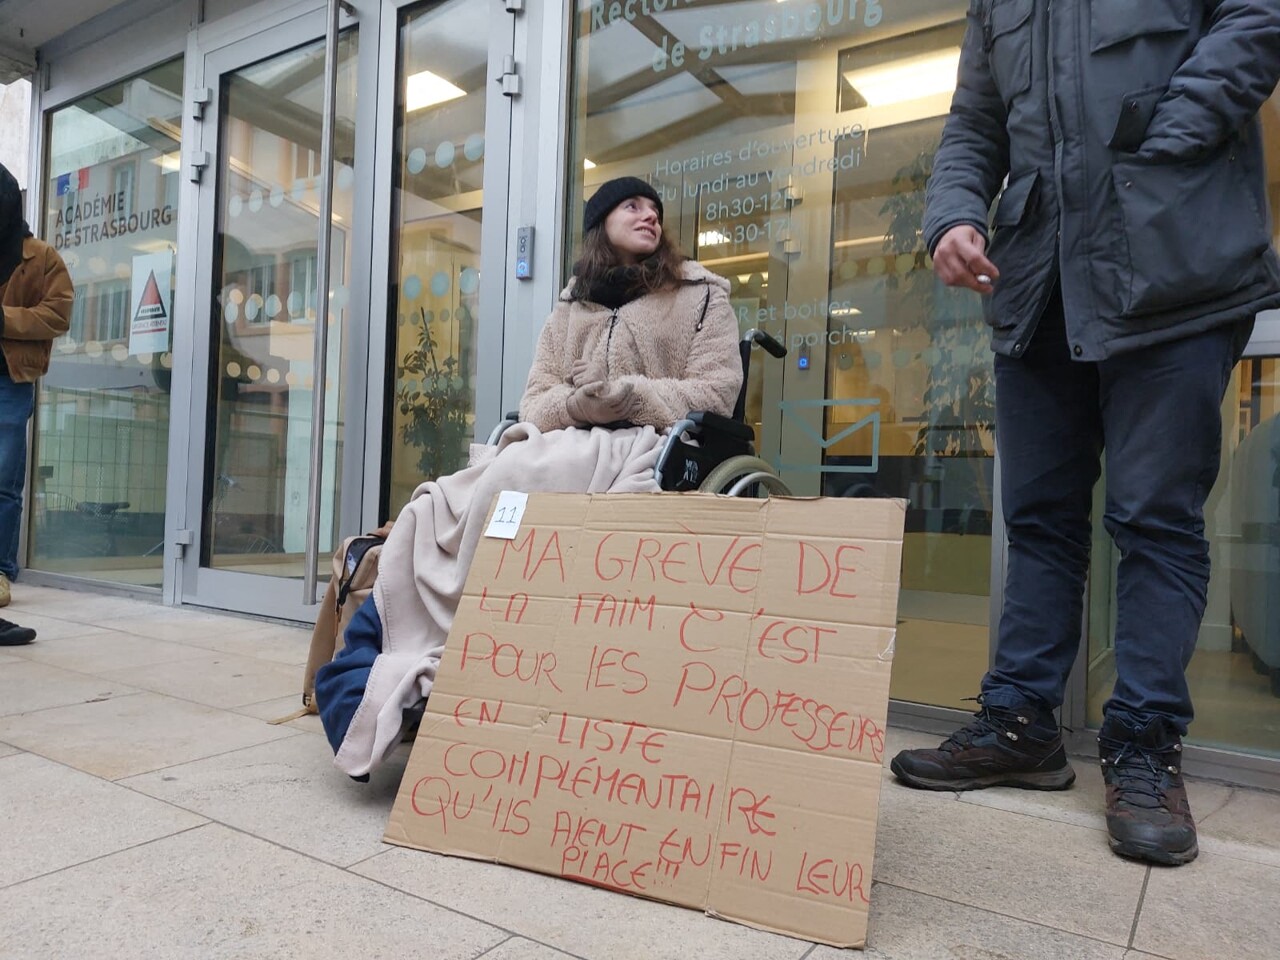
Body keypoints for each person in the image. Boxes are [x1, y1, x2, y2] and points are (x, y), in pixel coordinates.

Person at [889, 4, 1280, 866]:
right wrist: (954, 213)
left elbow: (1258, 16)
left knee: (1153, 517)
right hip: (1039, 280)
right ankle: (1023, 721)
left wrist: (1173, 125)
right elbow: (973, 124)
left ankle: (1142, 744)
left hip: (1171, 270)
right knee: (1036, 518)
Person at [316, 176, 742, 778]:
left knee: (512, 477)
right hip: (567, 437)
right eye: (632, 206)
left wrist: (630, 397)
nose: (649, 215)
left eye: (655, 208)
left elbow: (717, 392)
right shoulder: (573, 304)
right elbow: (536, 398)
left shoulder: (701, 296)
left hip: (650, 443)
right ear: (602, 224)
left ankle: (461, 644)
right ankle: (414, 650)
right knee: (437, 505)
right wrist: (579, 407)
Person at [0, 161, 72, 646]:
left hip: (11, 378)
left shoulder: (40, 255)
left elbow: (58, 313)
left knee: (4, 479)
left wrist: (1, 319)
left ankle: (0, 572)